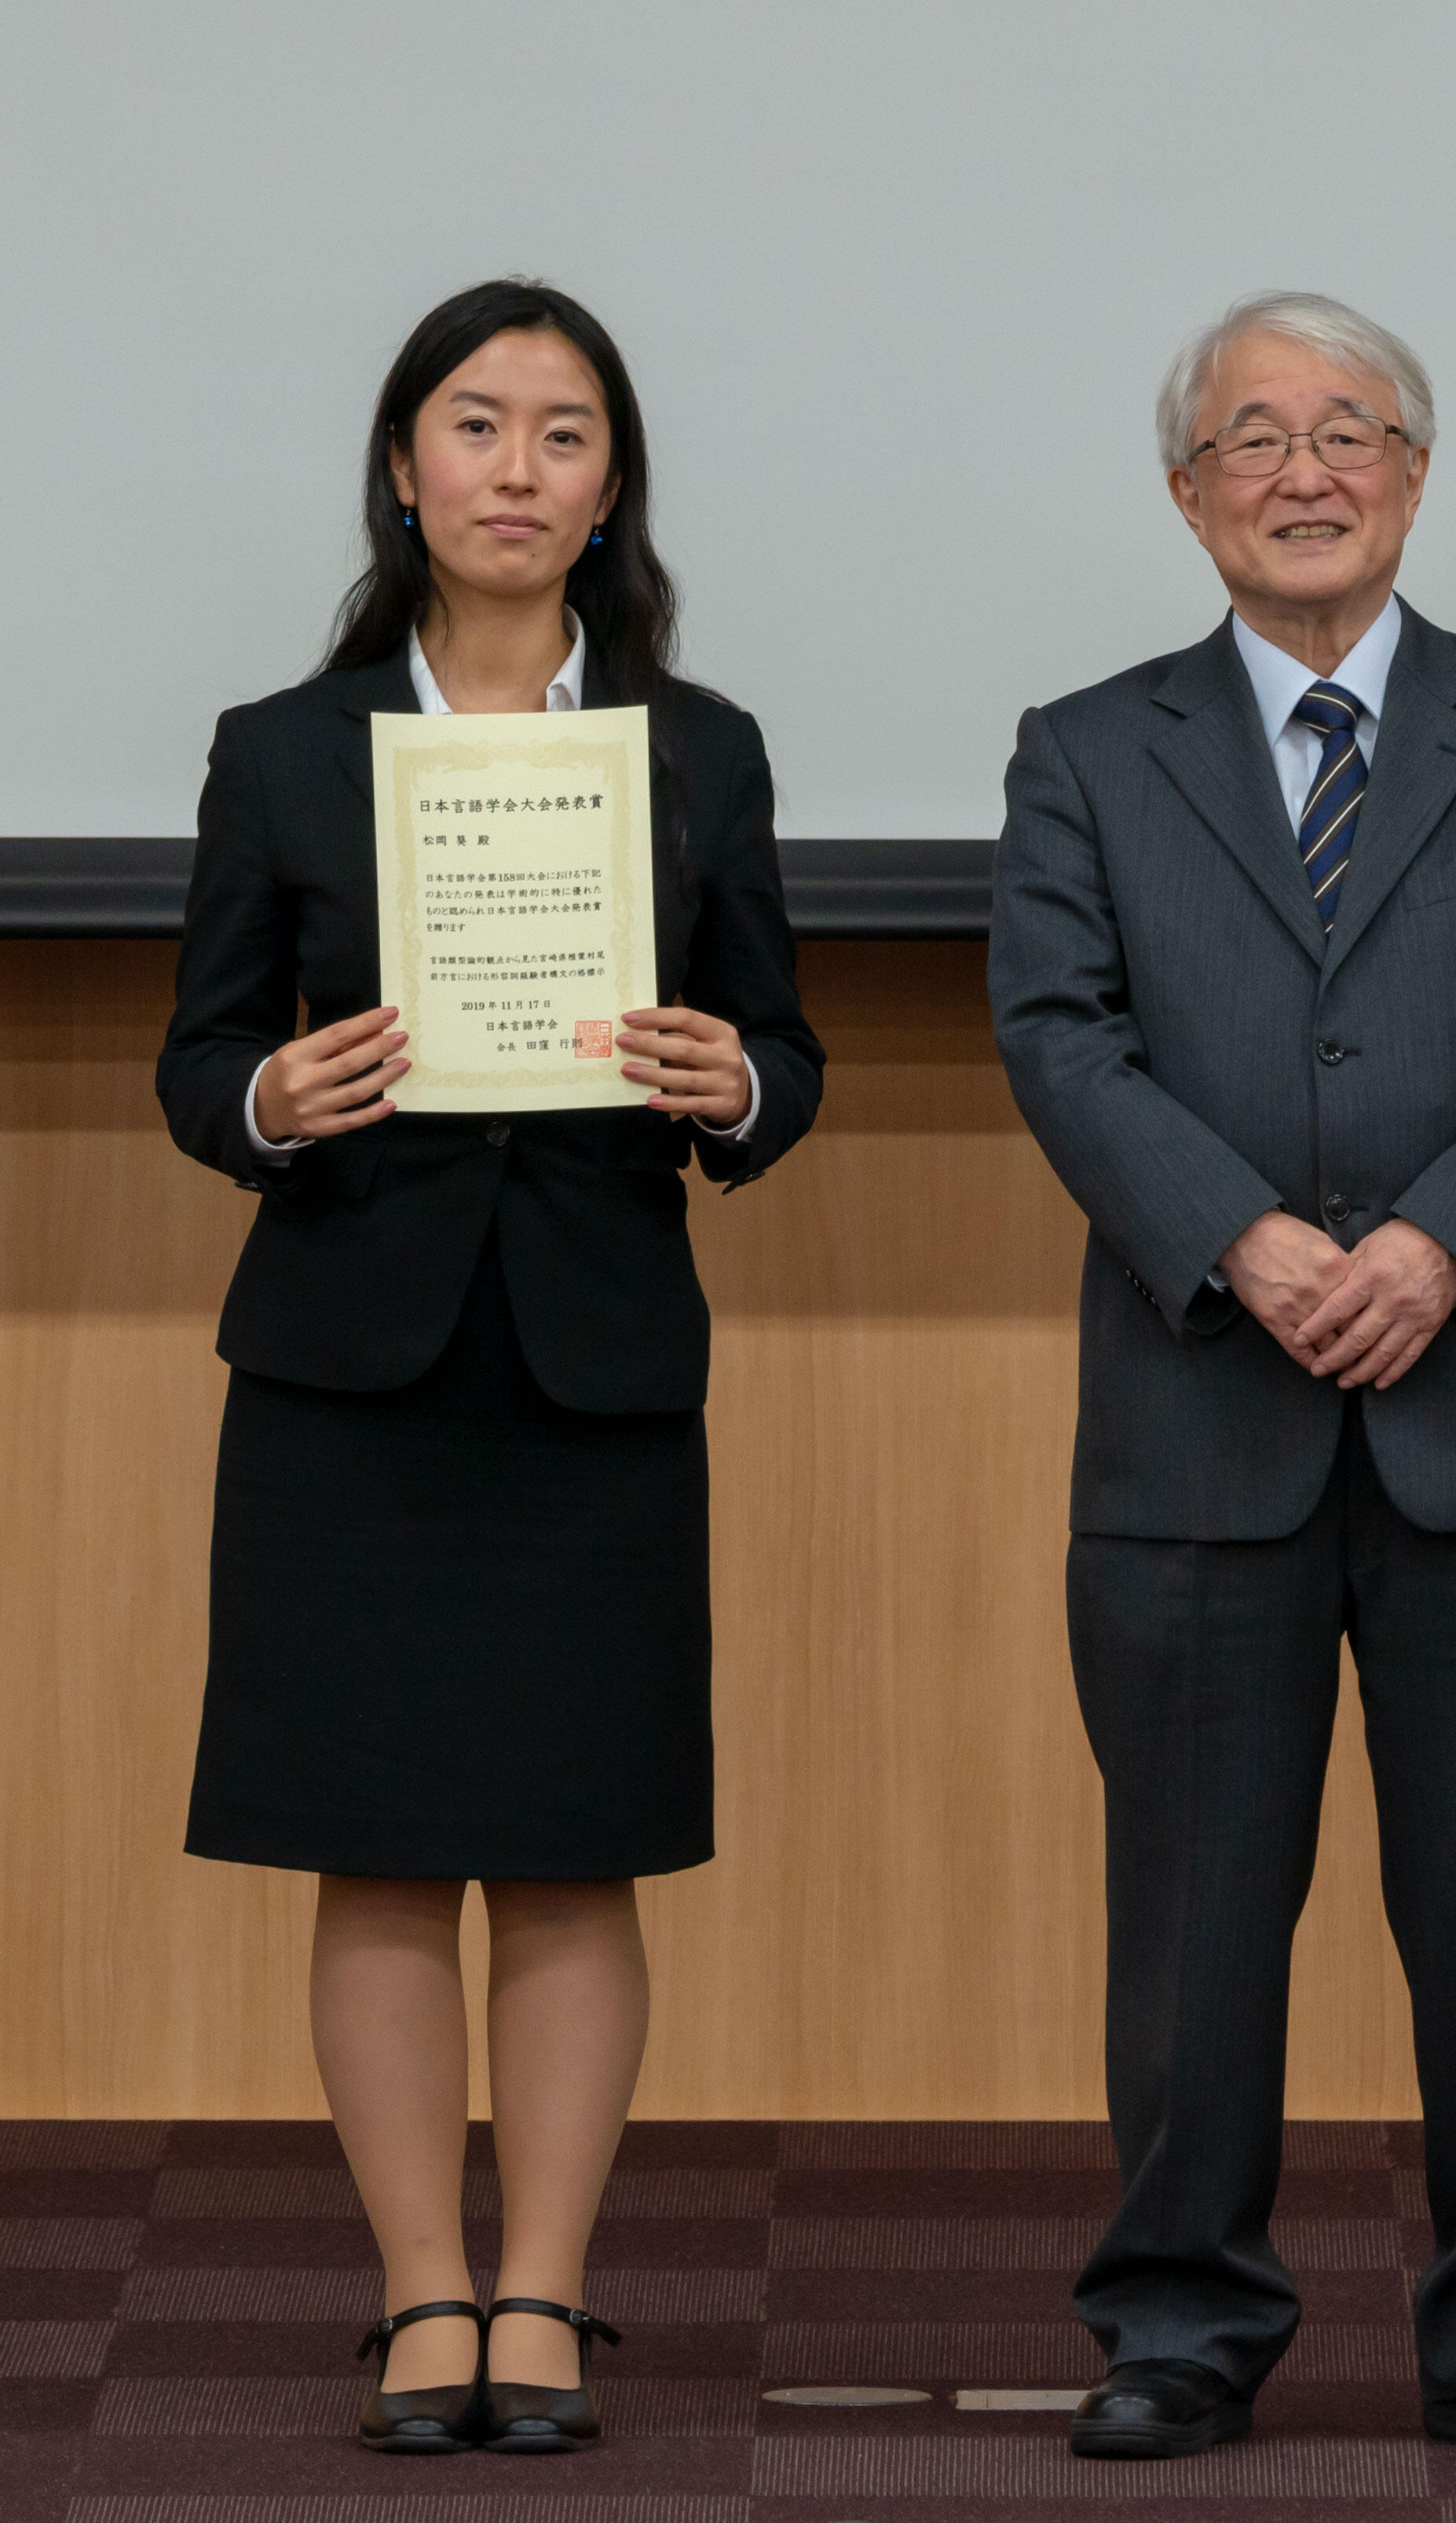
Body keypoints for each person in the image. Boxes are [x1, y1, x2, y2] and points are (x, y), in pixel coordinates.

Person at [989, 291, 1456, 2463]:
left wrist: (1443, 1242)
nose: (1305, 472)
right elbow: (1060, 1035)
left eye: (1348, 431)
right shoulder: (1085, 749)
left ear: (1415, 470)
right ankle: (1178, 2322)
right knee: (1191, 1916)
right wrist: (1247, 1242)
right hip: (1204, 1419)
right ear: (1186, 494)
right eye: (1253, 439)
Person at [156, 280, 822, 2455]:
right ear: (403, 467)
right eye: (477, 426)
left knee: (568, 1846)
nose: (517, 470)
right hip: (353, 1360)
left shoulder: (697, 751)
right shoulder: (283, 746)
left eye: (562, 435)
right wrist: (280, 1100)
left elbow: (780, 1059)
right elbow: (196, 1065)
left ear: (609, 484)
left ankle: (543, 2290)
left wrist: (733, 1083)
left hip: (598, 1367)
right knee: (370, 1847)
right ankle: (415, 2293)